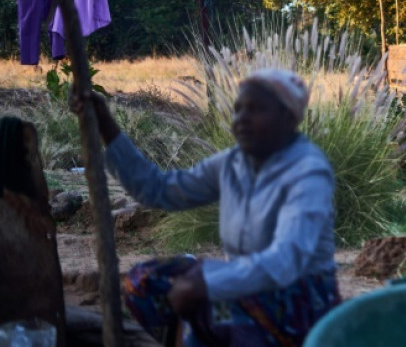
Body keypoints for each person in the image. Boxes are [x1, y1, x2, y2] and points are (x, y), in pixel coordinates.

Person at [72, 69, 339, 347]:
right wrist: (106, 126)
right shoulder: (233, 163)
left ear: (288, 119)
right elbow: (159, 190)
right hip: (243, 280)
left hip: (297, 296)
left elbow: (286, 260)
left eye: (256, 110)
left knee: (219, 310)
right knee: (146, 283)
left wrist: (207, 282)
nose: (242, 119)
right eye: (238, 110)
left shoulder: (308, 172)